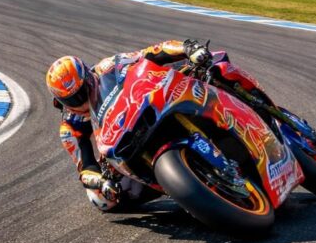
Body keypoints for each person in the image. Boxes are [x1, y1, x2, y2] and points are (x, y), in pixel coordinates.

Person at [45, 39, 264, 210]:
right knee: (102, 201)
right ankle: (184, 186)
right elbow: (85, 168)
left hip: (145, 106)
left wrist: (187, 49)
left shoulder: (107, 66)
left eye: (83, 90)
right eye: (73, 98)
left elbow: (151, 53)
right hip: (118, 151)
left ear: (87, 74)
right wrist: (100, 181)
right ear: (61, 102)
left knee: (211, 66)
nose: (81, 99)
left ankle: (254, 104)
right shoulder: (69, 128)